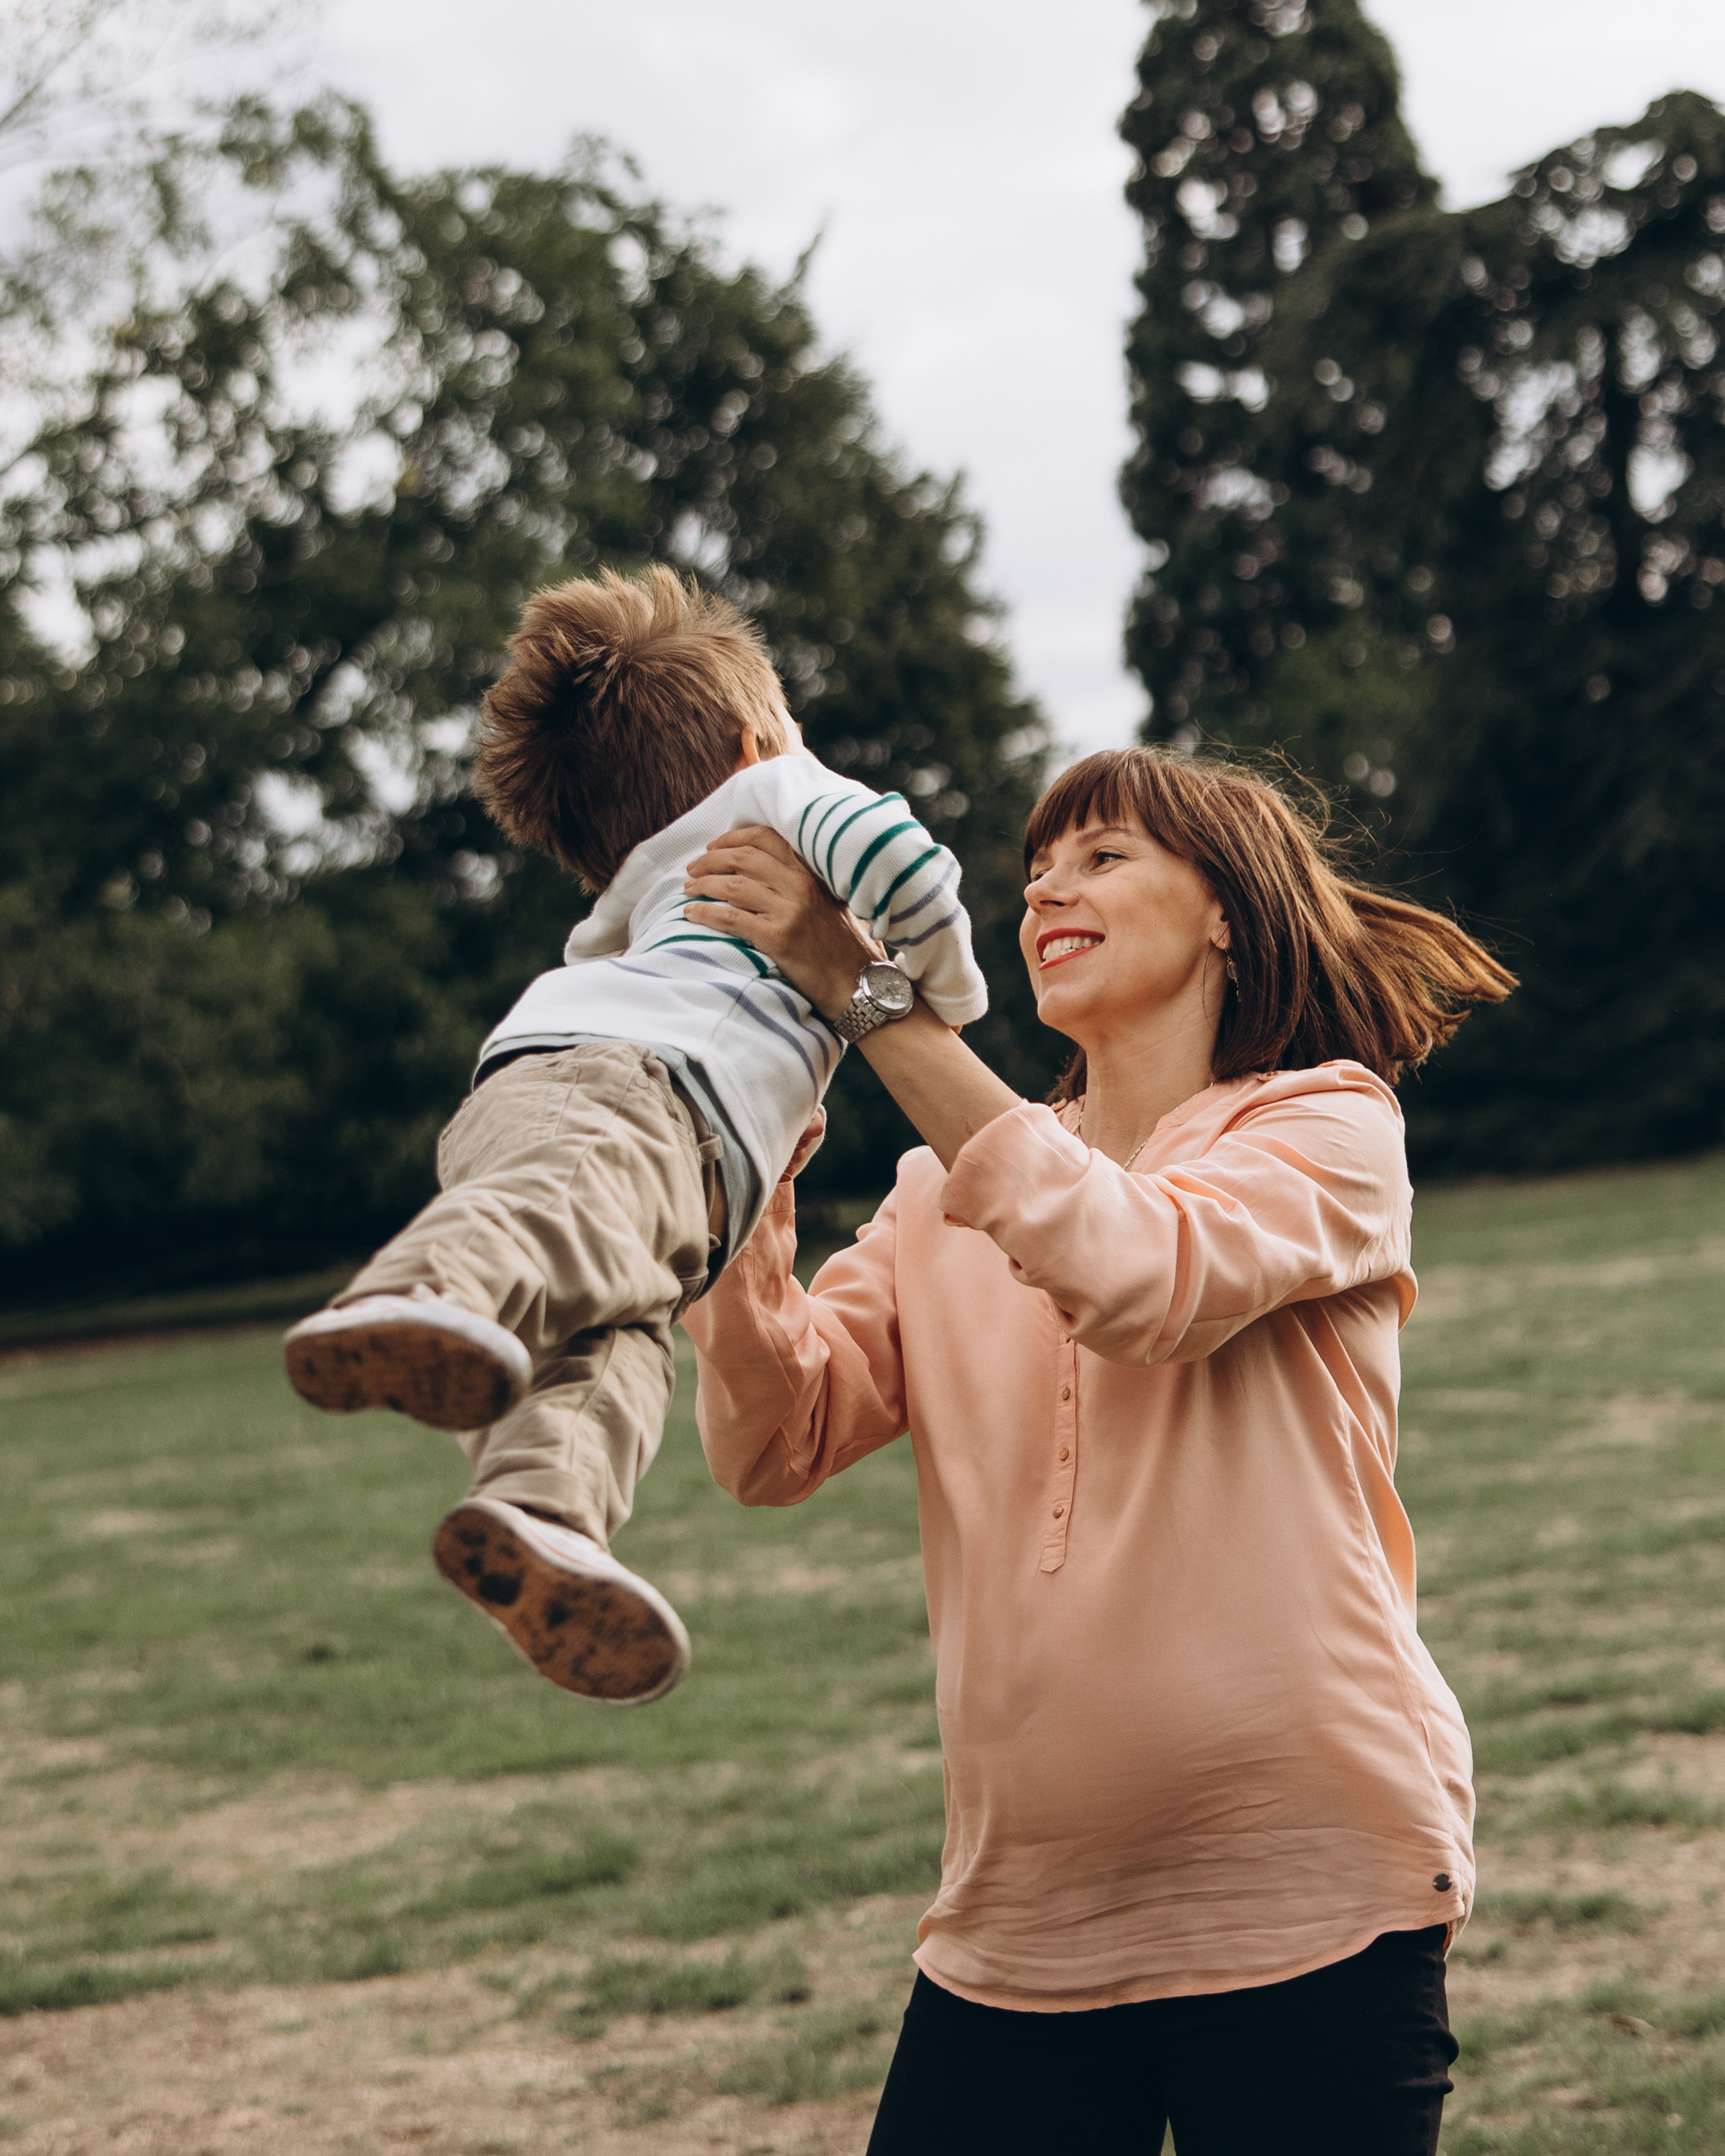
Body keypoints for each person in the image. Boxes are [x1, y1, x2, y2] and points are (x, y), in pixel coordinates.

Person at [677, 746, 1516, 2155]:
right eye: (1033, 872)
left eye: (1103, 855)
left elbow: (1139, 1275)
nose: (1047, 888)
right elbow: (777, 1437)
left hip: (1312, 1895)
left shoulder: (1324, 1122)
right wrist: (739, 1168)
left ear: (1226, 912)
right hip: (1020, 1923)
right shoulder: (943, 1191)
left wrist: (870, 992)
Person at [282, 566, 986, 1708]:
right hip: (633, 1093)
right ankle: (430, 1289)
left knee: (616, 1348)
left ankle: (542, 1517)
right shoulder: (779, 792)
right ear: (764, 737)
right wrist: (944, 994)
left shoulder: (638, 886)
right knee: (573, 1222)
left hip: (597, 1108)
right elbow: (906, 862)